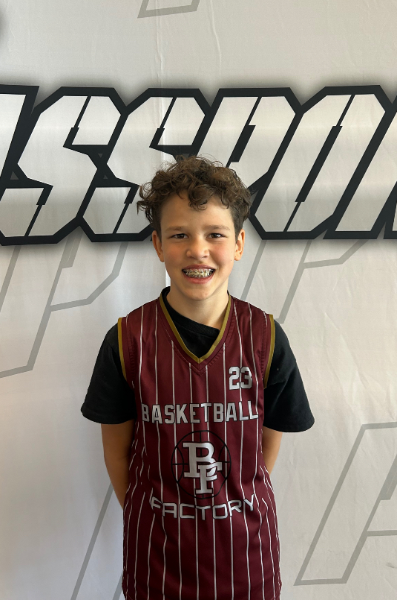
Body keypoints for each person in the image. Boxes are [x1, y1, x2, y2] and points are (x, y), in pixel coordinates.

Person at [81, 156, 314, 600]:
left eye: (215, 234)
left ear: (239, 243)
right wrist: (157, 514)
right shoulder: (127, 340)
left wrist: (230, 500)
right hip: (158, 561)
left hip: (247, 559)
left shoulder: (265, 337)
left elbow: (266, 446)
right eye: (179, 235)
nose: (197, 249)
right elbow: (117, 452)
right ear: (157, 244)